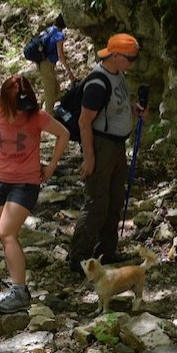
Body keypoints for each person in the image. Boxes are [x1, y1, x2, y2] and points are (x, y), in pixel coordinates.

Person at [0, 74, 70, 312]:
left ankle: (19, 291)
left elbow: (64, 134)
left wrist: (51, 166)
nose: (22, 111)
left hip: (26, 183)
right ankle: (17, 288)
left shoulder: (37, 116)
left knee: (6, 233)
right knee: (5, 237)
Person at [69, 33, 144, 273]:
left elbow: (117, 104)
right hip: (101, 146)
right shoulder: (97, 84)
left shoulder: (118, 74)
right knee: (97, 202)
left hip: (117, 145)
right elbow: (84, 122)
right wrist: (89, 158)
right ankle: (79, 256)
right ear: (116, 55)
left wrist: (134, 109)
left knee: (114, 198)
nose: (134, 63)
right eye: (131, 58)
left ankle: (106, 250)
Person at [36, 15, 77, 113]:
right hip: (46, 65)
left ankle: (48, 109)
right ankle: (48, 118)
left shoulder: (49, 30)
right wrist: (69, 72)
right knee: (50, 94)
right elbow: (60, 55)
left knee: (56, 89)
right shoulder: (59, 35)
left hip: (41, 63)